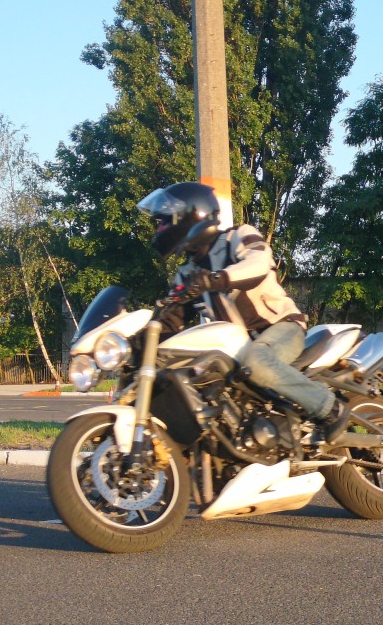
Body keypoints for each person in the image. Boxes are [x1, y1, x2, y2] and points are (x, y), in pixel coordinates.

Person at [139, 183, 354, 445]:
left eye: (164, 222)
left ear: (190, 215)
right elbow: (169, 322)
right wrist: (138, 344)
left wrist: (216, 279)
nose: (159, 229)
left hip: (280, 328)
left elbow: (259, 264)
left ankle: (330, 408)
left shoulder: (237, 236)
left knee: (257, 363)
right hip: (237, 348)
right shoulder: (186, 273)